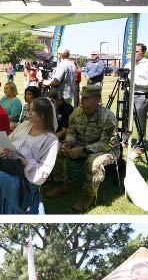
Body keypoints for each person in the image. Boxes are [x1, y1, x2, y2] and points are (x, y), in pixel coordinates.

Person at [43, 82, 119, 211]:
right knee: (56, 149)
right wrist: (68, 143)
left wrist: (82, 149)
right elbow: (72, 132)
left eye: (86, 98)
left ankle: (88, 196)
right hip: (82, 145)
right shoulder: (78, 112)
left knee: (94, 162)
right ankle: (61, 184)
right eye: (81, 97)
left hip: (107, 150)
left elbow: (107, 143)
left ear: (96, 100)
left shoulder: (108, 117)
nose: (81, 100)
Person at [133, 43, 148, 154]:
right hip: (128, 94)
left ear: (143, 52)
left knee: (140, 121)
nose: (134, 53)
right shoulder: (129, 63)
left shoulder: (147, 64)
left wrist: (136, 83)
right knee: (125, 119)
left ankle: (140, 146)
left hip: (141, 95)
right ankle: (124, 141)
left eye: (137, 51)